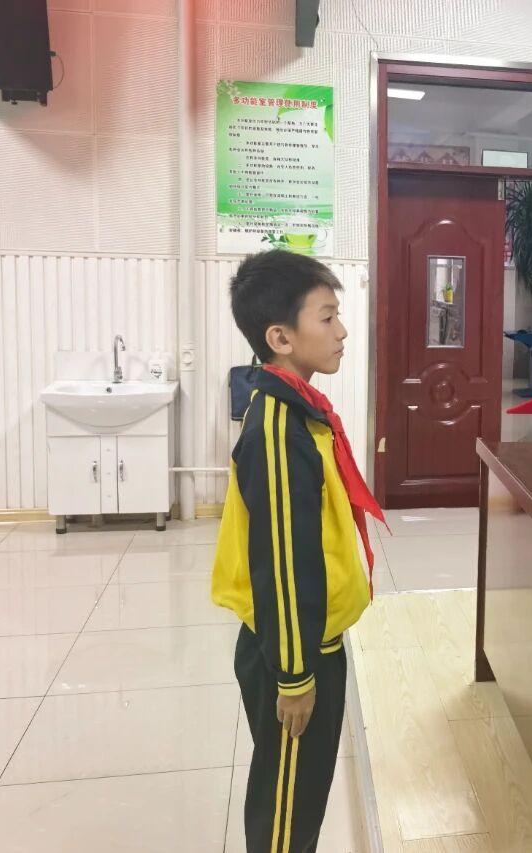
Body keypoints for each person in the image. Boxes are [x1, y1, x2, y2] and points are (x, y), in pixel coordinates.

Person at [213, 249, 383, 853]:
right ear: (280, 338)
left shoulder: (296, 409)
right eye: (328, 317)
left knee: (300, 791)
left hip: (311, 640)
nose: (342, 332)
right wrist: (294, 676)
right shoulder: (280, 429)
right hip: (293, 650)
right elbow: (284, 566)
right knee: (286, 803)